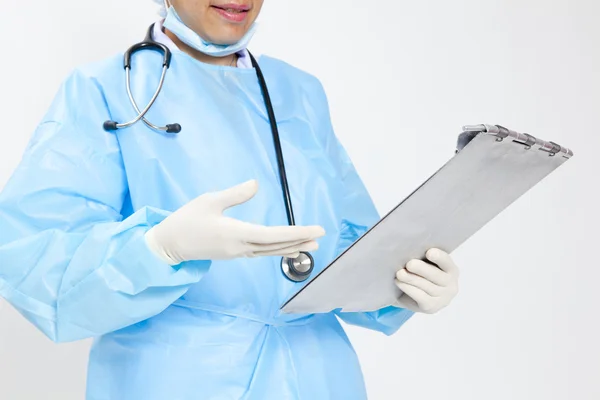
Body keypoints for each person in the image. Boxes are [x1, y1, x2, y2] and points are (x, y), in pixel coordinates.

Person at [0, 1, 460, 398]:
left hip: (319, 376)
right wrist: (158, 249)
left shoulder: (298, 93)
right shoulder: (104, 90)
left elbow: (349, 239)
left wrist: (402, 282)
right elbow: (33, 261)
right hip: (178, 380)